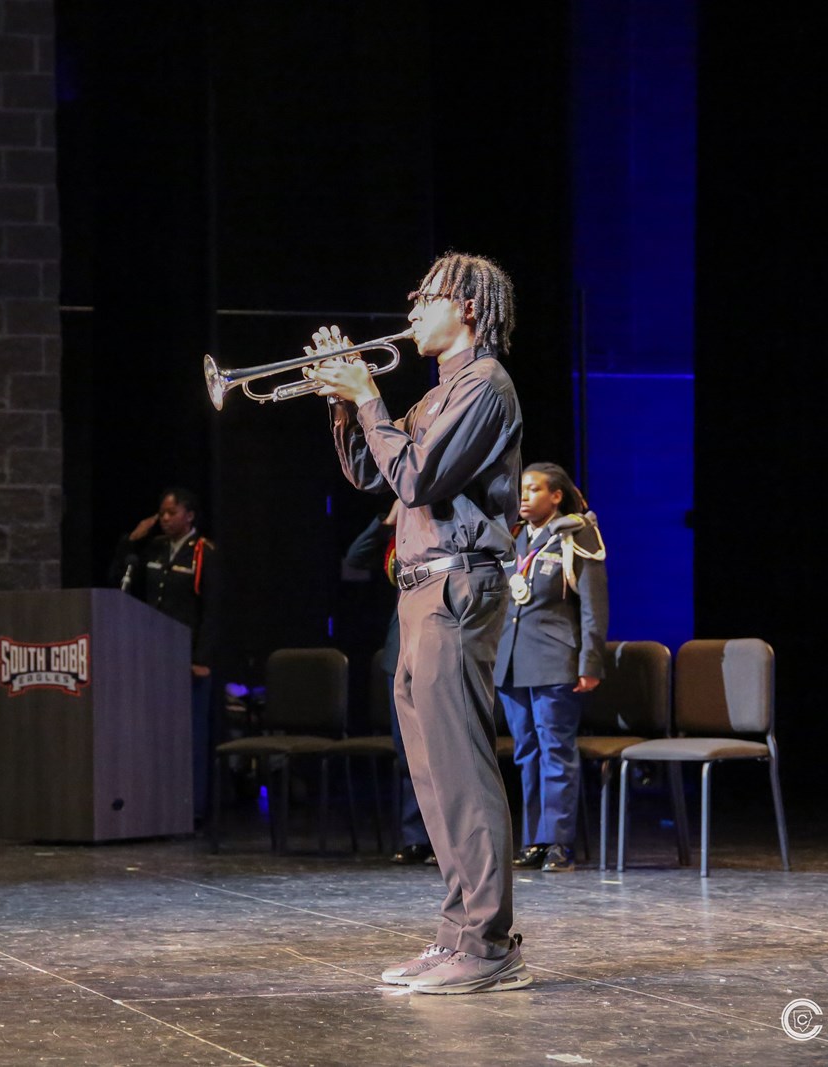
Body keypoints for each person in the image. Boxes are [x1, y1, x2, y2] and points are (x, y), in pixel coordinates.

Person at [305, 251, 528, 995]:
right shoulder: (436, 397)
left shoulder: (485, 386)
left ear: (465, 305)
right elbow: (376, 474)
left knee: (462, 770)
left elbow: (418, 476)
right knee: (433, 777)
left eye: (423, 299)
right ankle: (458, 932)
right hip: (420, 591)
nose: (410, 313)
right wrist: (344, 402)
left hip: (458, 588)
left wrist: (368, 394)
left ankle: (488, 943)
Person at [494, 463, 609, 874]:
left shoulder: (576, 535)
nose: (523, 497)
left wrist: (590, 662)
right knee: (526, 753)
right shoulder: (514, 537)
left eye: (533, 489)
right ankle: (533, 841)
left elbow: (594, 607)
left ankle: (557, 842)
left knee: (555, 750)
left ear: (556, 496)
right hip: (512, 663)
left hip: (555, 660)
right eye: (520, 490)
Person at [110, 488, 220, 822]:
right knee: (155, 734)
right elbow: (118, 579)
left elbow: (212, 611)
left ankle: (193, 809)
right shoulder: (153, 548)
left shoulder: (203, 552)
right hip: (153, 658)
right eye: (162, 512)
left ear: (190, 515)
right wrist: (131, 540)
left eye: (172, 512)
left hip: (187, 658)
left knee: (191, 736)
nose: (165, 518)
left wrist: (202, 658)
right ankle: (157, 803)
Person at [343, 501, 433, 865]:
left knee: (441, 751)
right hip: (400, 651)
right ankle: (416, 837)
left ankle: (447, 838)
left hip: (437, 643)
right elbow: (356, 557)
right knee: (407, 751)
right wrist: (388, 519)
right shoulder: (400, 530)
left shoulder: (443, 520)